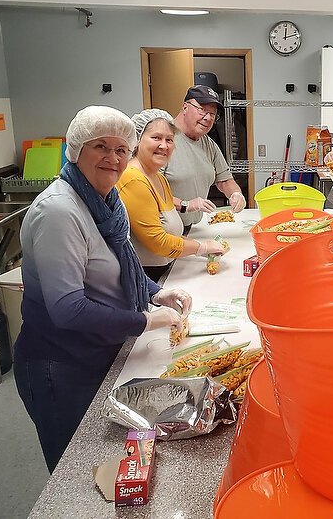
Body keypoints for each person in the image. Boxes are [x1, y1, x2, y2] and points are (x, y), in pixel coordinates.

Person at [14, 106, 192, 472]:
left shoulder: (106, 201)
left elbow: (119, 263)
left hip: (98, 352)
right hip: (60, 366)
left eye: (120, 149)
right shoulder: (60, 212)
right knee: (74, 471)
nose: (112, 158)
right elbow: (67, 308)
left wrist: (153, 292)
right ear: (76, 150)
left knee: (104, 463)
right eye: (100, 147)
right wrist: (144, 321)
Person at [117, 109, 226, 282]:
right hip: (147, 278)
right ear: (137, 140)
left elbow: (170, 233)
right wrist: (201, 247)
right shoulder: (132, 179)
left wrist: (199, 248)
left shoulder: (158, 178)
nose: (164, 145)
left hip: (167, 271)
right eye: (156, 138)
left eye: (169, 139)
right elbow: (158, 242)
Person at [163, 85, 246, 233]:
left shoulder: (208, 144)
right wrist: (185, 205)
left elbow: (224, 180)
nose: (208, 118)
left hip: (193, 228)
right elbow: (148, 192)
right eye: (202, 109)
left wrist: (236, 194)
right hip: (164, 232)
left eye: (213, 114)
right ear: (185, 107)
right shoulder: (163, 140)